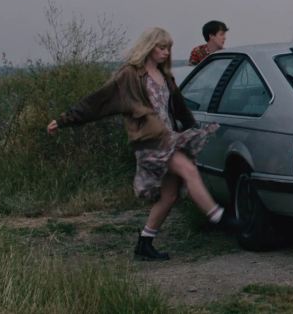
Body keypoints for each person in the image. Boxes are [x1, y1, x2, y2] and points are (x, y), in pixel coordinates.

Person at [47, 27, 239, 261]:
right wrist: (64, 120)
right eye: (161, 47)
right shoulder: (130, 75)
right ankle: (219, 217)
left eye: (168, 48)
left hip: (168, 137)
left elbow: (179, 108)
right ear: (149, 47)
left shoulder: (165, 76)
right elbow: (98, 101)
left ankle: (144, 244)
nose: (165, 52)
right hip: (149, 141)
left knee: (169, 196)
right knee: (188, 169)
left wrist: (192, 128)